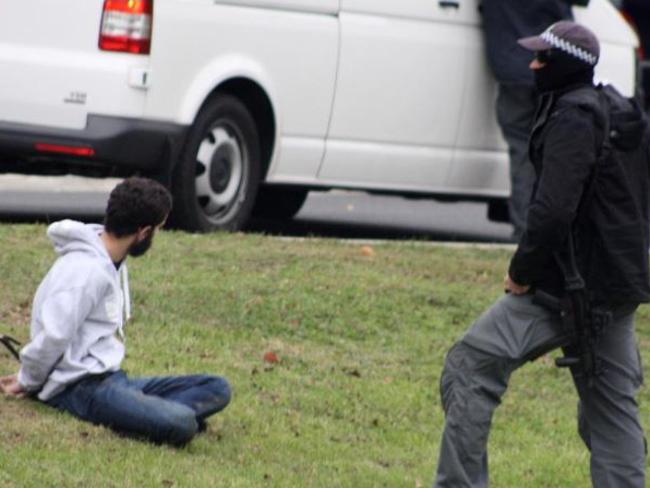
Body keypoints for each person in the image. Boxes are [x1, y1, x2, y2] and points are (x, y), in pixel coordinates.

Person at [434, 21, 648, 487]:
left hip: (562, 288)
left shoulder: (573, 118)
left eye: (542, 59)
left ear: (565, 65)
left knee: (470, 366)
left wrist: (521, 272)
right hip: (614, 289)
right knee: (611, 414)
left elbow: (552, 213)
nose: (532, 65)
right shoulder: (615, 110)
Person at [0, 177, 231, 446]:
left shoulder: (109, 259)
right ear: (143, 232)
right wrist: (27, 381)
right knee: (182, 424)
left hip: (112, 380)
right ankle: (140, 416)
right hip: (78, 387)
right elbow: (53, 337)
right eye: (157, 229)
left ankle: (138, 411)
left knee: (216, 388)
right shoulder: (84, 272)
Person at [480, 0, 578, 240]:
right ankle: (558, 233)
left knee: (522, 151)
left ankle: (526, 232)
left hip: (511, 66)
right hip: (556, 68)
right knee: (561, 152)